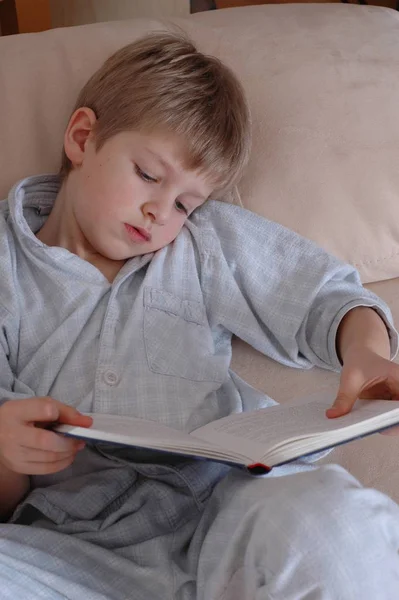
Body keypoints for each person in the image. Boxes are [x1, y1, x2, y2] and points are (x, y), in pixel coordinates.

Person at [0, 31, 398, 600]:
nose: (160, 211)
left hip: (225, 511)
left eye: (186, 202)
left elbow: (327, 295)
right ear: (83, 138)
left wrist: (365, 350)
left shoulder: (203, 243)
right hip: (70, 551)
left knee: (334, 526)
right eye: (147, 175)